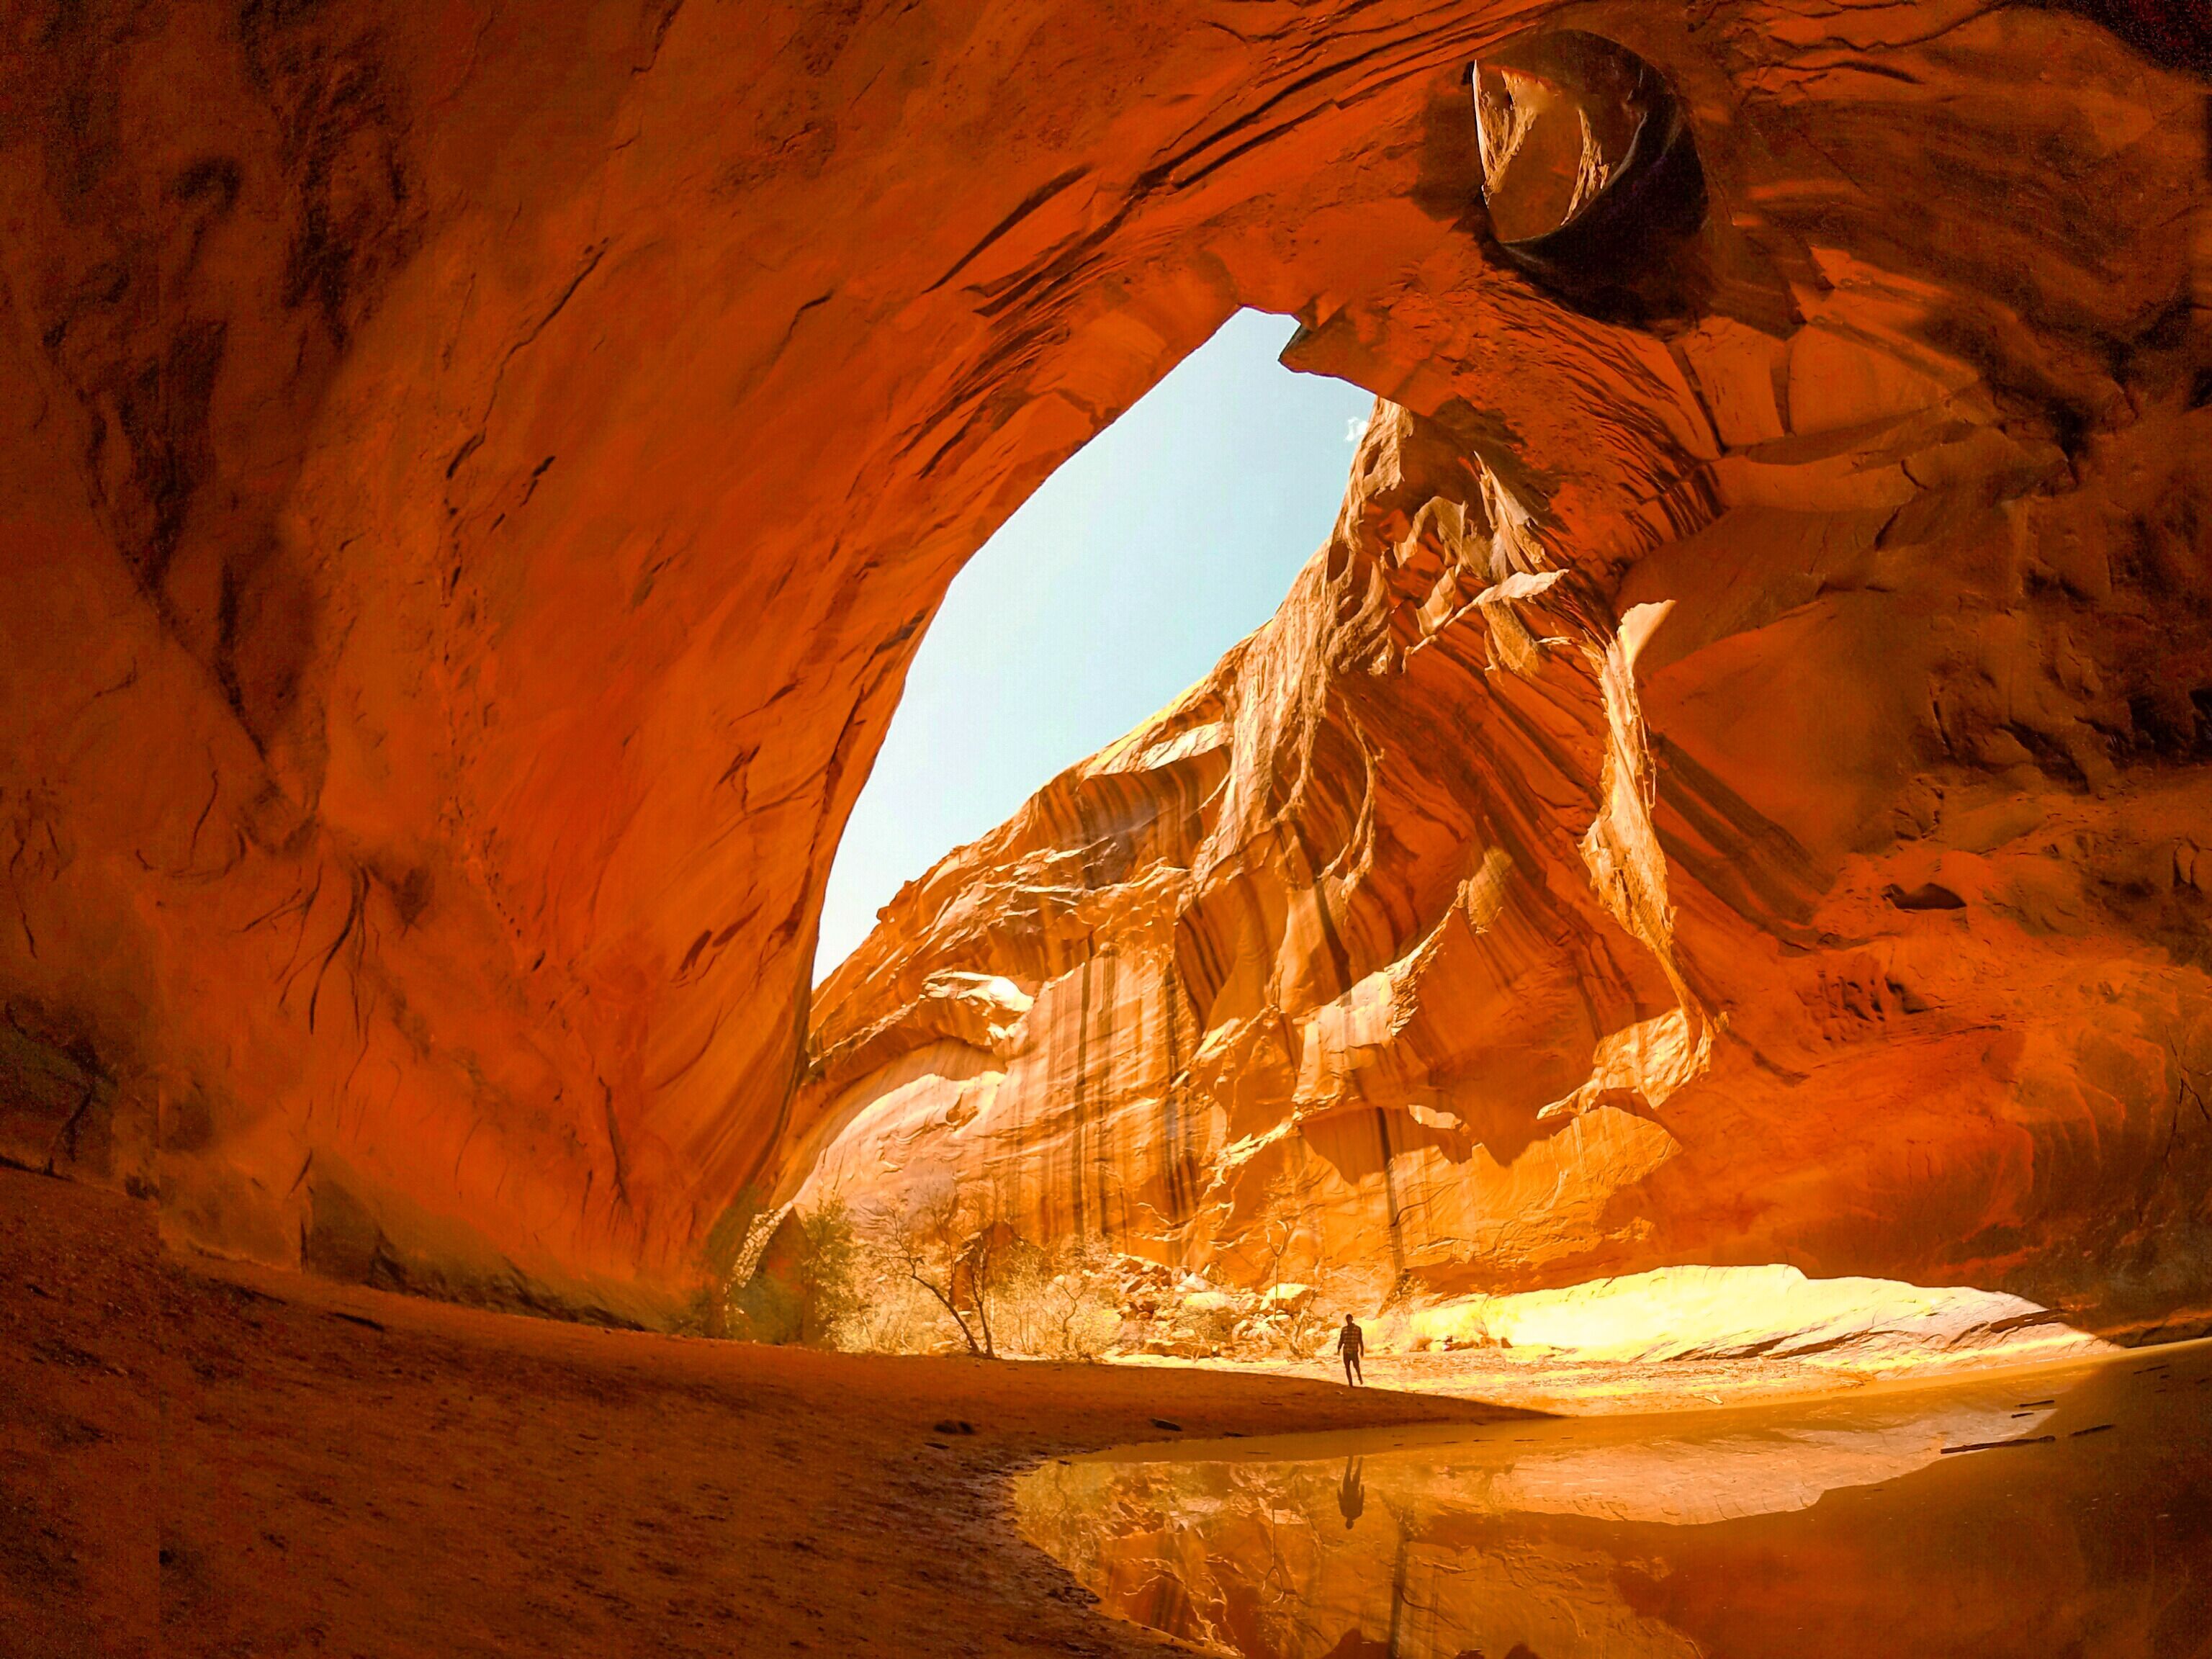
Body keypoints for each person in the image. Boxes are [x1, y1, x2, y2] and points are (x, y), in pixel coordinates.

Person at [1336, 1313, 1365, 1386]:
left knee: (1356, 1366)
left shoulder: (1358, 1329)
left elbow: (1360, 1340)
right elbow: (1341, 1340)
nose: (1348, 1320)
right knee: (1347, 1367)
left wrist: (1362, 1350)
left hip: (1354, 1351)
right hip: (1346, 1351)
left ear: (1352, 1319)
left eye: (1350, 1319)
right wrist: (1339, 1349)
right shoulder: (1344, 1330)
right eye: (1347, 1319)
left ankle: (1360, 1377)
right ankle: (1350, 1383)